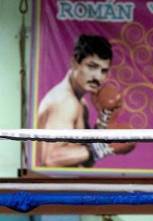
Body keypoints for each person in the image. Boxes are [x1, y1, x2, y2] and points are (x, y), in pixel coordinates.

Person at [36, 34, 135, 167]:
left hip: (66, 185)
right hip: (52, 186)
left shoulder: (81, 104)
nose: (97, 77)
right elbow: (51, 158)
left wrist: (103, 122)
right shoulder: (65, 102)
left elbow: (84, 159)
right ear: (74, 62)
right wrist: (104, 147)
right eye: (92, 66)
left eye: (103, 71)